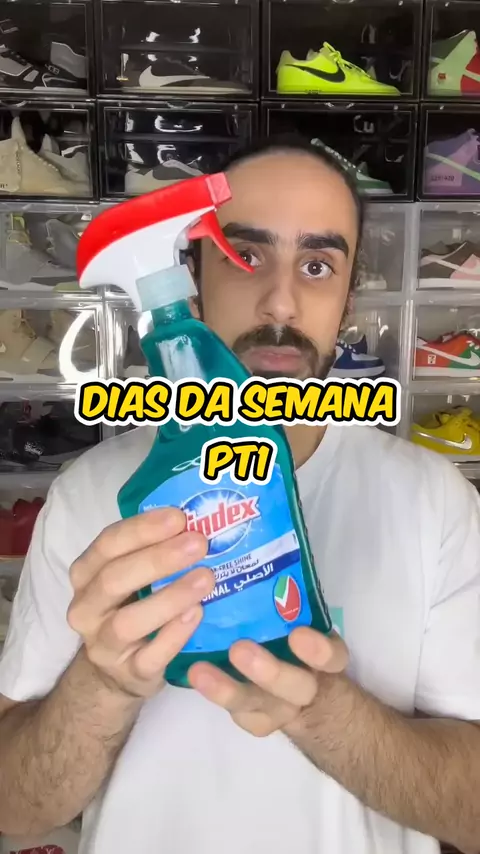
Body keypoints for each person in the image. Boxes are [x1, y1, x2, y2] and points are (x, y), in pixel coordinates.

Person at [0, 135, 479, 854]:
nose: (281, 302)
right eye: (245, 256)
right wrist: (102, 685)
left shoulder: (434, 502)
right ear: (190, 280)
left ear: (348, 299)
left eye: (317, 266)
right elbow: (14, 809)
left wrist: (323, 713)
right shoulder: (89, 496)